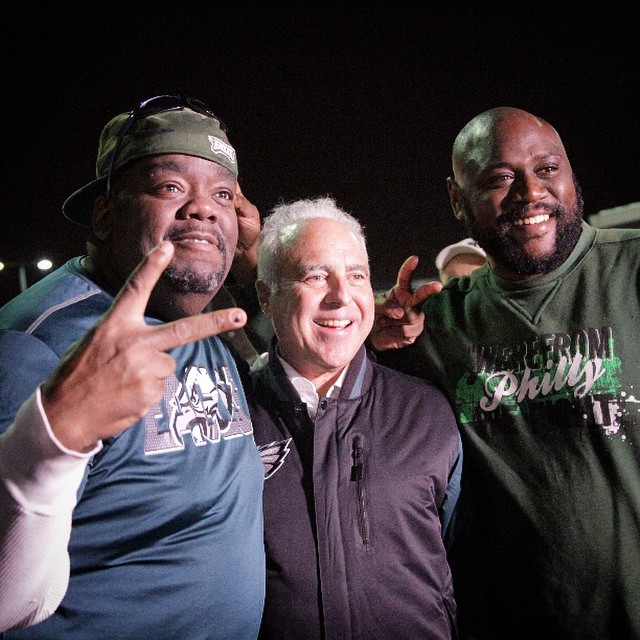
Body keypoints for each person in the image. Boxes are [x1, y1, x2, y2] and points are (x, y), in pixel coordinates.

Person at [0, 95, 266, 639]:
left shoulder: (196, 314)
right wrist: (55, 431)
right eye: (170, 188)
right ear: (104, 215)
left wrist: (262, 266)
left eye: (222, 196)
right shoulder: (36, 347)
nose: (203, 209)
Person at [372, 107, 640, 640]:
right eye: (499, 178)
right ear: (456, 198)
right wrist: (367, 339)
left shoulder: (629, 269)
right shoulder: (436, 324)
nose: (528, 193)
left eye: (547, 169)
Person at [247, 196, 462, 639]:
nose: (341, 296)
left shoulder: (426, 412)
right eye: (315, 275)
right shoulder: (229, 419)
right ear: (266, 297)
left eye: (357, 276)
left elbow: (464, 558)